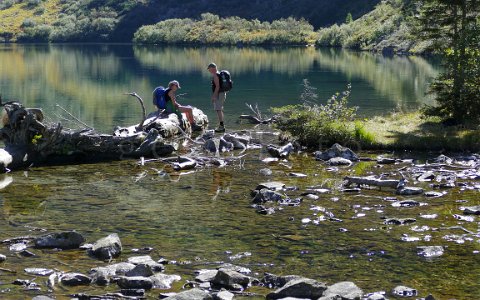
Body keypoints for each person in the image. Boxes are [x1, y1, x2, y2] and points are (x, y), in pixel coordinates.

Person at [207, 62, 226, 132]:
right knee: (219, 109)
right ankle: (221, 125)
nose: (209, 71)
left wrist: (214, 96)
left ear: (213, 68)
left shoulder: (215, 75)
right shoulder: (219, 74)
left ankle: (221, 126)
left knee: (218, 110)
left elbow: (217, 87)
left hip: (219, 94)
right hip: (221, 93)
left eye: (209, 69)